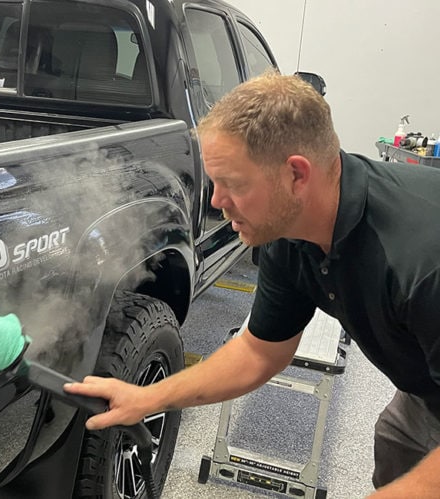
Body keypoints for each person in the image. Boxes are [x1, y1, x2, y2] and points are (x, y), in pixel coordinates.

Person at [64, 70, 440, 498]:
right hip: (422, 391)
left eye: (233, 185)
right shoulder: (288, 232)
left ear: (296, 175)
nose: (216, 202)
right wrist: (148, 398)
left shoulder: (421, 259)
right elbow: (260, 351)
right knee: (398, 447)